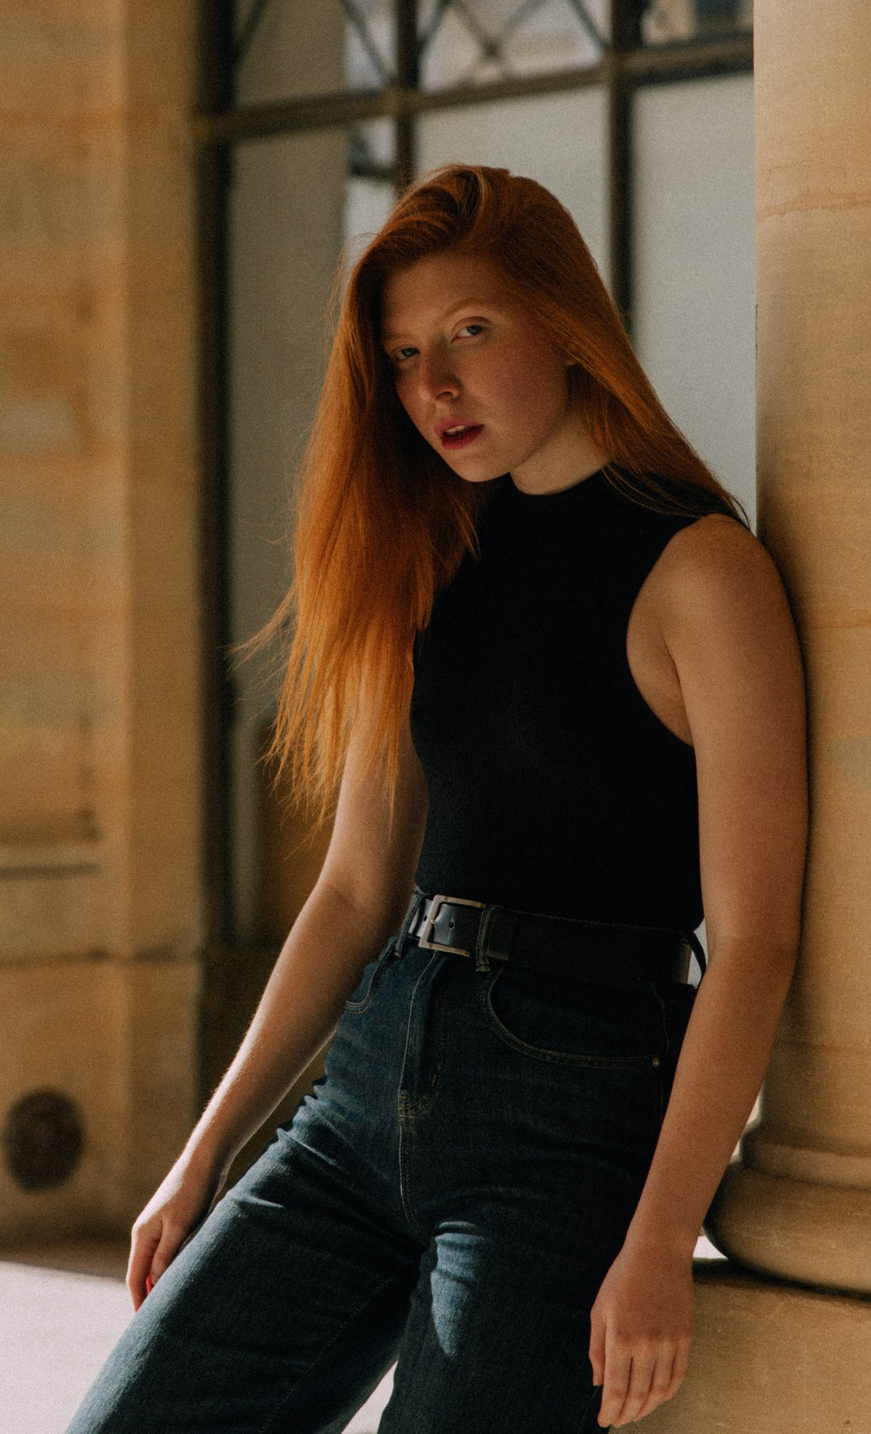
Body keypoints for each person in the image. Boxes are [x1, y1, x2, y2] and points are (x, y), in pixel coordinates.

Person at [68, 165, 807, 1432]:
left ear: (566, 326)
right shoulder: (431, 559)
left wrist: (659, 1239)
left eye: (470, 332)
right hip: (368, 1084)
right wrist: (205, 1152)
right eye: (405, 355)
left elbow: (754, 945)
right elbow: (356, 888)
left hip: (567, 1118)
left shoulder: (700, 571)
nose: (435, 387)